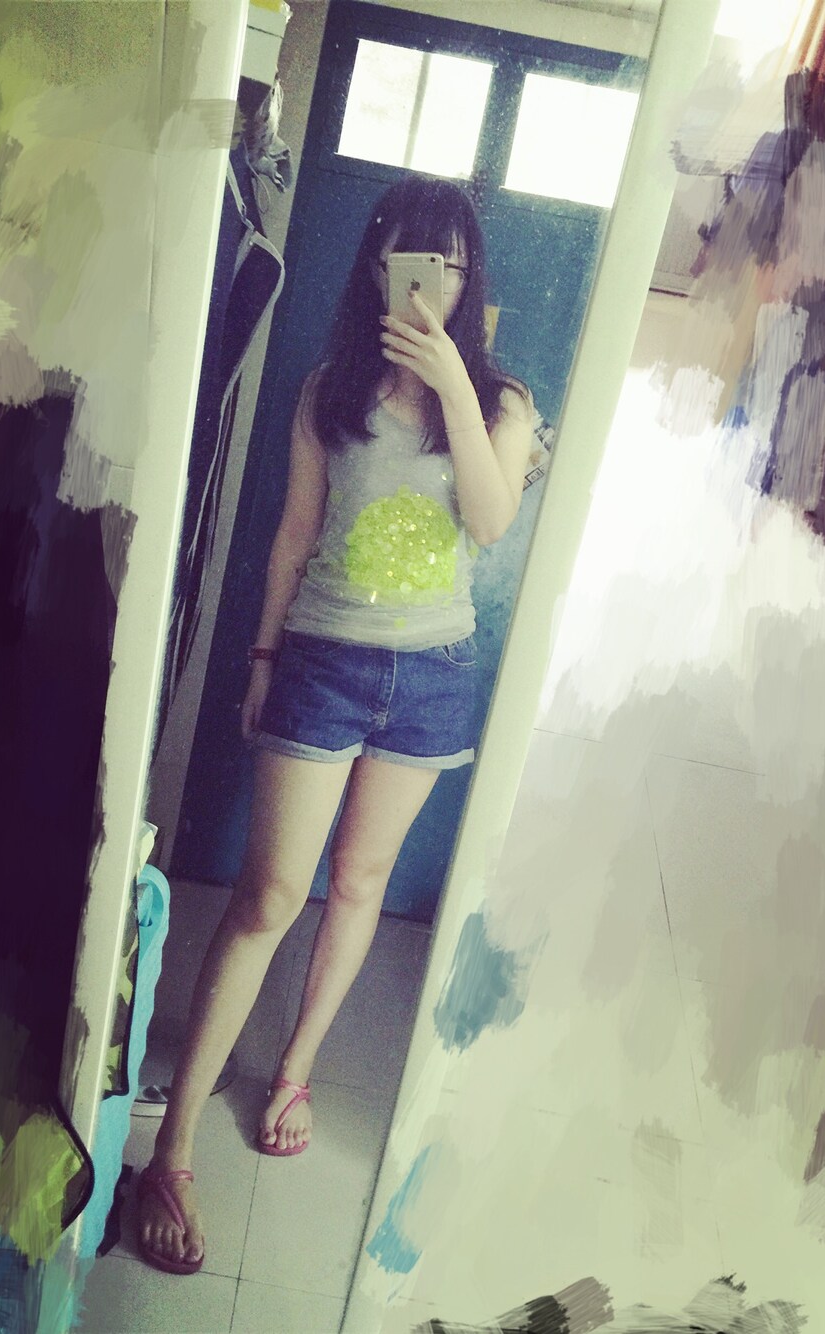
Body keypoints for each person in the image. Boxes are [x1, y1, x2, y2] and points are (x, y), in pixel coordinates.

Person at [137, 175, 535, 1274]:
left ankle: (296, 1070)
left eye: (449, 265)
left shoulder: (501, 402)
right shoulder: (328, 390)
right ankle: (172, 1150)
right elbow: (290, 536)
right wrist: (262, 662)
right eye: (409, 260)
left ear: (469, 278)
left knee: (358, 886)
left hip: (433, 676)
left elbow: (490, 521)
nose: (429, 283)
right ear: (374, 269)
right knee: (269, 896)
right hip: (321, 662)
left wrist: (454, 385)